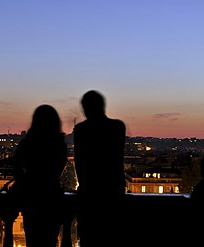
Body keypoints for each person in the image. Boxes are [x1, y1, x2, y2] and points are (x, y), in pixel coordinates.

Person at [73, 90, 126, 246]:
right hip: (112, 197)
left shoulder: (81, 130)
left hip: (89, 198)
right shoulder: (117, 127)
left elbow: (80, 164)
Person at [11, 104, 67, 247]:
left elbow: (16, 167)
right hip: (52, 197)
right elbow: (58, 171)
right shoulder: (60, 144)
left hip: (32, 197)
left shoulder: (27, 143)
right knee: (50, 240)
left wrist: (24, 181)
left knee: (32, 239)